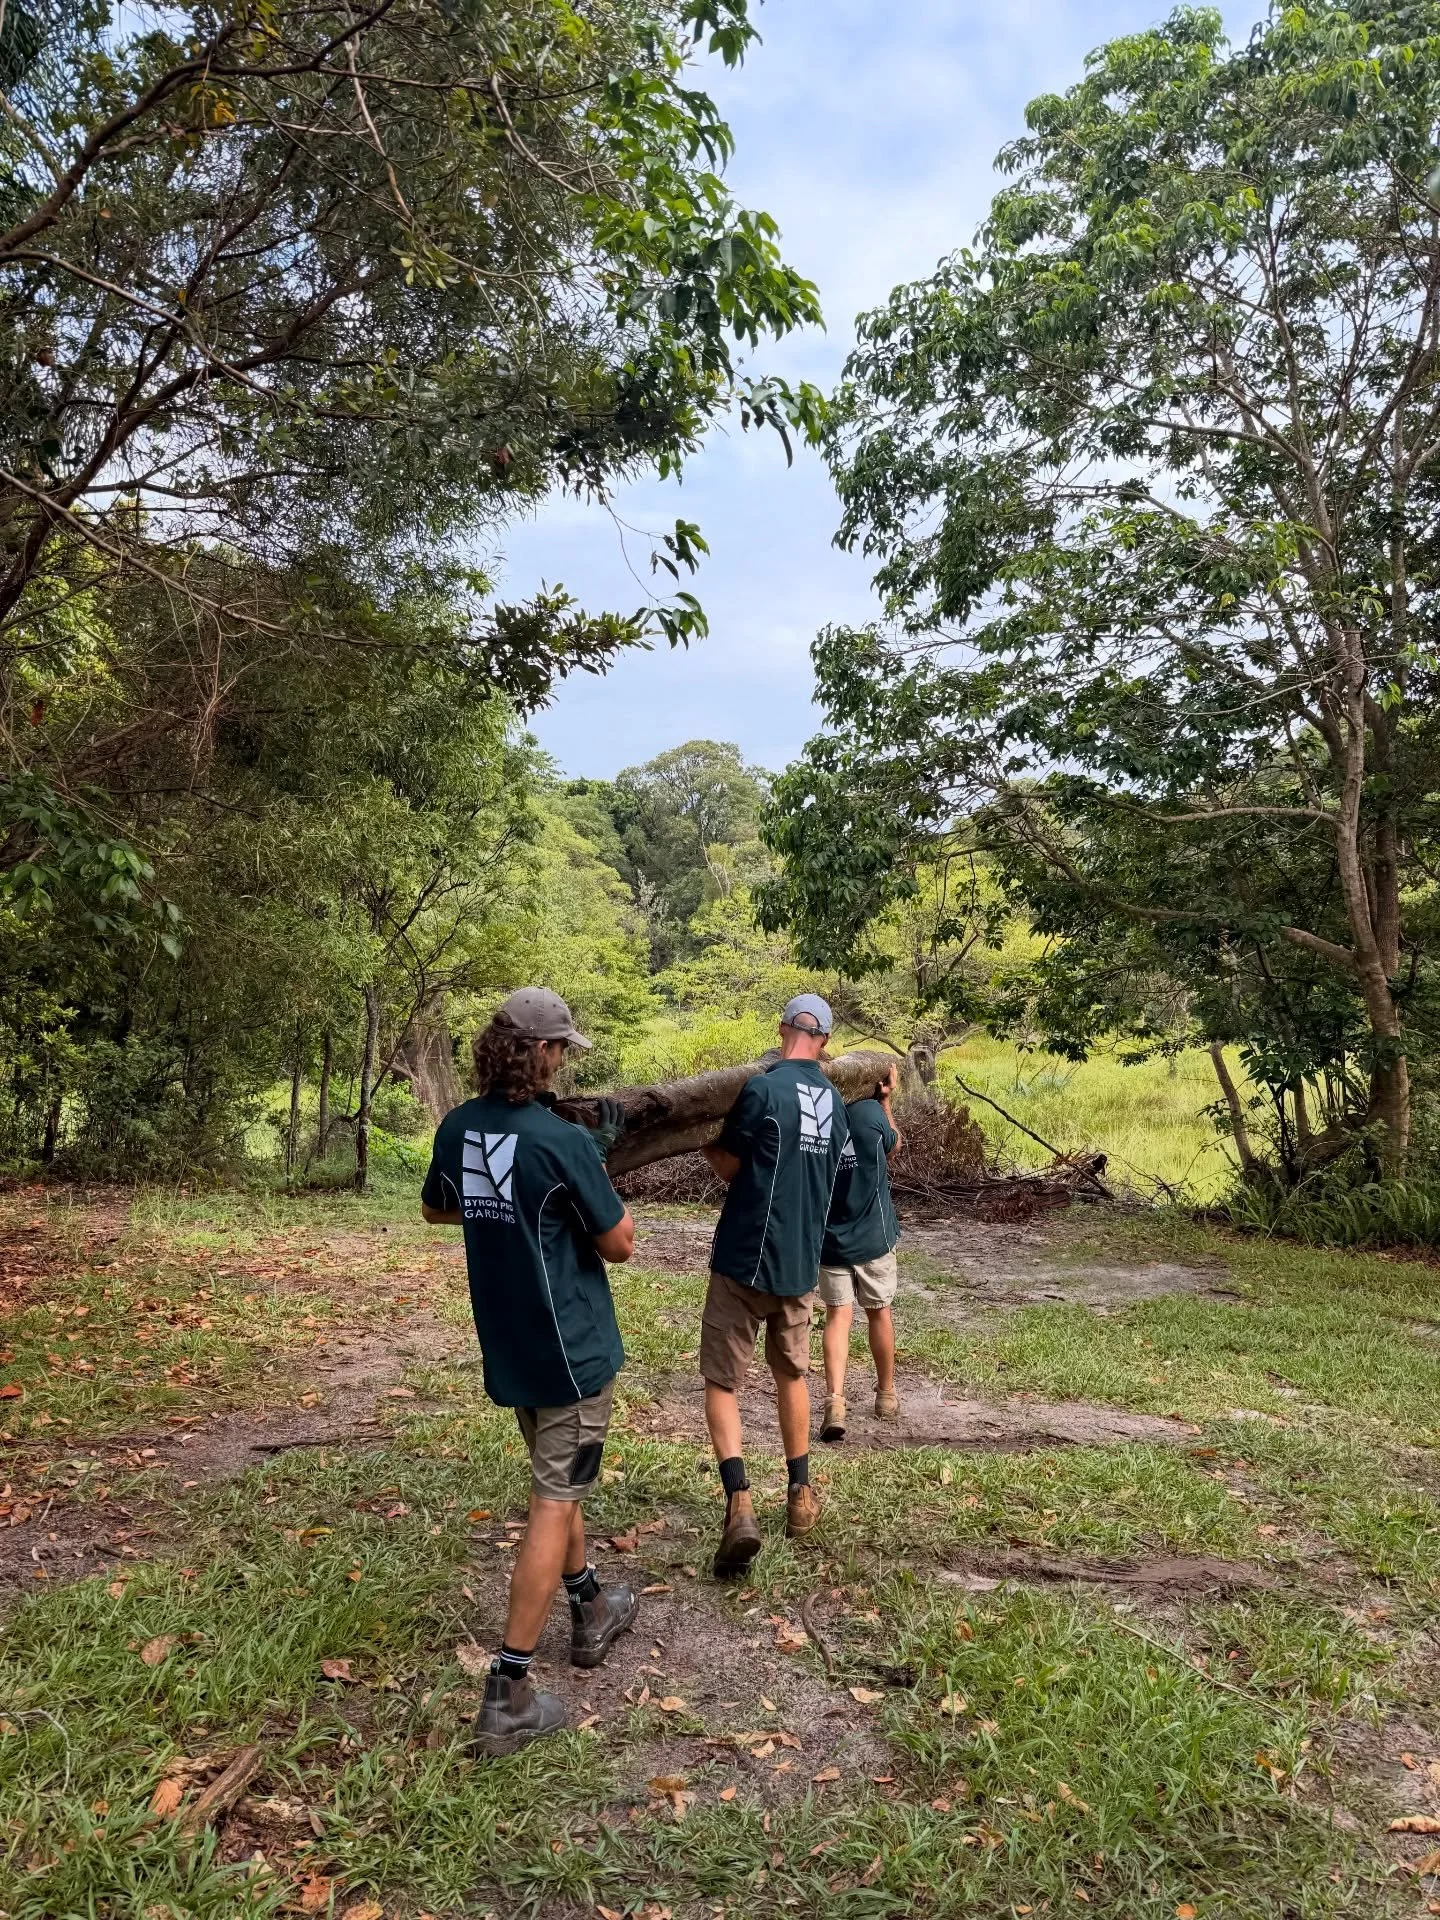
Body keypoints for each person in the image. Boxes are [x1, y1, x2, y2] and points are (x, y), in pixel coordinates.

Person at [420, 987, 638, 1757]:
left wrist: (513, 1207)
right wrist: (594, 1165)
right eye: (558, 1049)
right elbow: (620, 1243)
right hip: (572, 1353)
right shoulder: (561, 1142)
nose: (560, 1061)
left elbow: (439, 1208)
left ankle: (589, 1608)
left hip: (509, 1342)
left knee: (558, 1485)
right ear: (539, 1054)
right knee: (554, 1500)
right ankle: (509, 1689)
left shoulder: (459, 1128)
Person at [699, 993, 850, 1579]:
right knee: (793, 1373)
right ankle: (800, 1492)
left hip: (743, 1259)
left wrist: (707, 1143)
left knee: (722, 1378)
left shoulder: (760, 1088)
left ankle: (739, 1500)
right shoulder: (836, 1102)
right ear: (825, 1043)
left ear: (783, 1029)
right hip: (800, 1264)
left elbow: (731, 1166)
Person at [818, 1062, 903, 1442]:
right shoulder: (870, 1112)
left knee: (838, 1317)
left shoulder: (818, 1115)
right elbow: (894, 1144)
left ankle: (835, 1401)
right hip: (873, 1235)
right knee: (879, 1313)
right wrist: (886, 1101)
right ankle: (885, 1394)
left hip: (829, 1239)